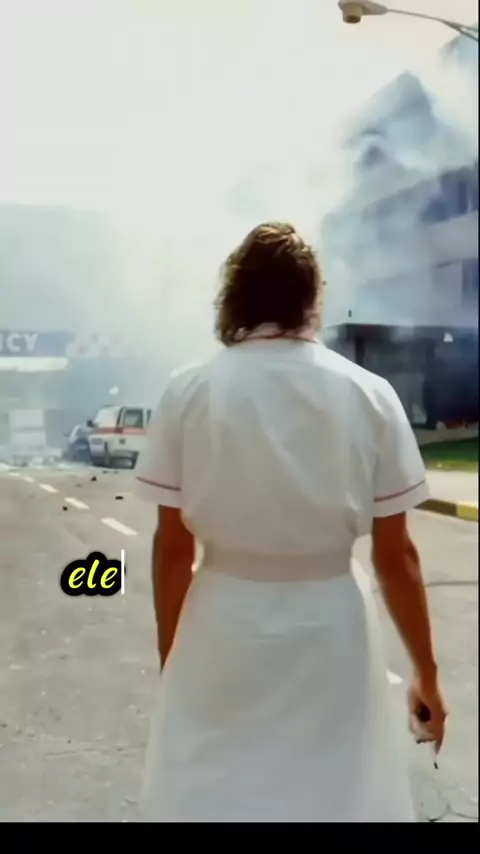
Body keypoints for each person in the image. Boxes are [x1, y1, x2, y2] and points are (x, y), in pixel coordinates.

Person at [135, 222, 447, 823]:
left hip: (221, 621)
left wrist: (173, 655)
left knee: (214, 790)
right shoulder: (370, 394)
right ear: (312, 298)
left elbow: (173, 549)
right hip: (331, 622)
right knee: (333, 792)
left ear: (236, 296)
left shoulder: (189, 391)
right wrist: (427, 675)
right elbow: (396, 557)